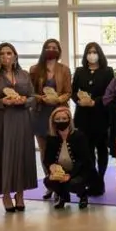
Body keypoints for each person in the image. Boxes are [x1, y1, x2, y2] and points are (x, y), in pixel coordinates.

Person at [0, 43, 38, 212]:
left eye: (9, 53)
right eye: (2, 54)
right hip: (1, 119)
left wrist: (25, 101)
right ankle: (5, 195)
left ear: (15, 55)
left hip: (22, 118)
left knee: (22, 155)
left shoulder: (24, 74)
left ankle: (20, 195)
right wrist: (2, 101)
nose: (6, 56)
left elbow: (33, 97)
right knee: (2, 155)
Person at [71, 42, 114, 196]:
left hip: (100, 115)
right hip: (82, 116)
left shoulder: (107, 71)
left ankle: (100, 180)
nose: (92, 55)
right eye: (89, 52)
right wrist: (79, 101)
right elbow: (73, 91)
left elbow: (109, 93)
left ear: (99, 54)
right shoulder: (79, 71)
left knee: (101, 149)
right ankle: (91, 180)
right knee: (86, 151)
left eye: (95, 52)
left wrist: (94, 102)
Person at [29, 39, 71, 187]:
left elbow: (68, 92)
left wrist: (57, 99)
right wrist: (41, 98)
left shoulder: (64, 69)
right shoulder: (35, 69)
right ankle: (50, 182)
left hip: (59, 113)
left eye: (54, 47)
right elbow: (30, 92)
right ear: (43, 50)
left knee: (60, 148)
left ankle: (62, 180)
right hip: (40, 113)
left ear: (59, 51)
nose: (51, 50)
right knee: (44, 150)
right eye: (48, 47)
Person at [42, 107, 97, 210]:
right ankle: (63, 197)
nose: (61, 121)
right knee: (48, 181)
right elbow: (47, 159)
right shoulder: (51, 138)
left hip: (79, 171)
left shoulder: (79, 136)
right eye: (57, 119)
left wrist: (70, 175)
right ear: (53, 121)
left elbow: (84, 160)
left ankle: (83, 195)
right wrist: (52, 167)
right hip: (61, 171)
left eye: (64, 118)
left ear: (69, 120)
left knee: (73, 183)